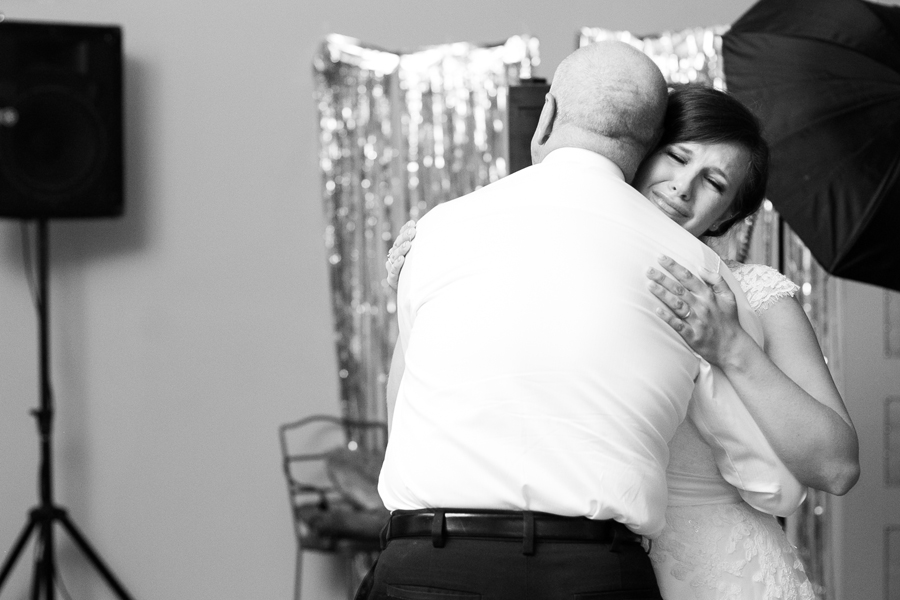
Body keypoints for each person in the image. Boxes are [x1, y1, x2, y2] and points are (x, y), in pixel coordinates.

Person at [364, 41, 806, 600]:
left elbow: (399, 411)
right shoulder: (698, 275)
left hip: (427, 560)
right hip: (587, 572)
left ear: (547, 115)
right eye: (678, 157)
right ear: (646, 147)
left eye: (715, 182)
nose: (682, 187)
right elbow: (774, 482)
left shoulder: (434, 234)